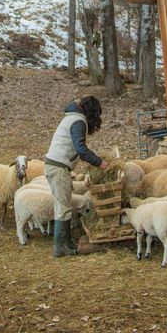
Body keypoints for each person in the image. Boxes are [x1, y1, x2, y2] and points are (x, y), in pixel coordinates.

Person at [45, 95, 109, 257]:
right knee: (63, 207)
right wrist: (99, 162)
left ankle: (66, 243)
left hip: (56, 166)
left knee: (64, 204)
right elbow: (80, 148)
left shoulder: (71, 117)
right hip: (58, 167)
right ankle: (60, 247)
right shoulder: (78, 121)